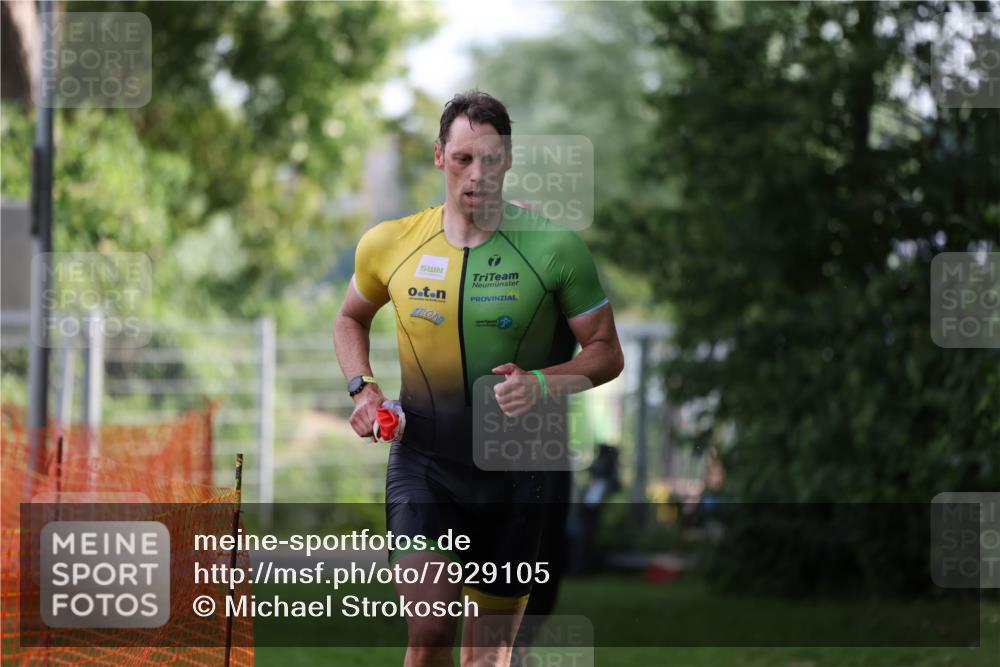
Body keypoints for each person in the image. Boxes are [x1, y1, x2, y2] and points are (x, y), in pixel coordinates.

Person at [334, 90, 624, 667]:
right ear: (440, 156)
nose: (478, 174)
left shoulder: (555, 247)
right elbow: (349, 318)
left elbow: (607, 353)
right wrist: (362, 387)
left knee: (486, 658)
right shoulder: (390, 243)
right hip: (425, 462)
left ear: (509, 160)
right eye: (464, 158)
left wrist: (543, 383)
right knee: (431, 629)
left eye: (491, 159)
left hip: (518, 469)